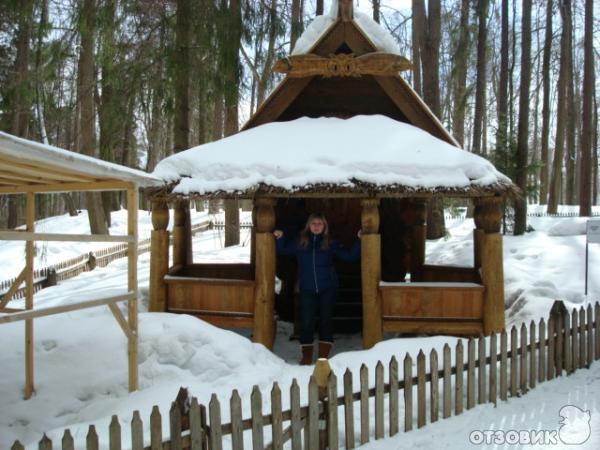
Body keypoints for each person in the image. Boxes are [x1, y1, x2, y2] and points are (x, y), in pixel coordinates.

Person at [274, 213, 361, 365]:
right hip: (307, 289)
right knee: (307, 323)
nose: (316, 226)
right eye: (313, 223)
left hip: (328, 289)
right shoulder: (300, 242)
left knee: (325, 321)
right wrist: (280, 238)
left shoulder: (330, 243)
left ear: (324, 227)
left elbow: (349, 256)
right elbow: (283, 251)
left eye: (319, 224)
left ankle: (323, 357)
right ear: (309, 225)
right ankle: (306, 357)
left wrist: (359, 240)